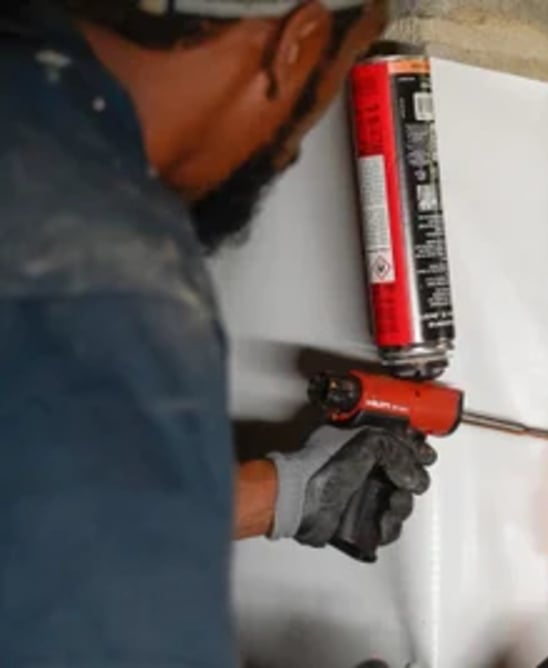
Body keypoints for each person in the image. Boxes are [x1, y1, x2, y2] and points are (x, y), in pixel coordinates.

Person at [0, 0, 436, 665]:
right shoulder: (113, 270)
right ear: (298, 42)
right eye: (338, 72)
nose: (290, 155)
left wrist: (283, 496)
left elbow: (41, 503)